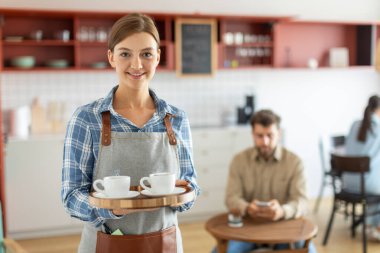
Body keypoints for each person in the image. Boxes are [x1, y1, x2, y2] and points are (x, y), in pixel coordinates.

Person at [61, 13, 199, 253]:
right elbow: (71, 195)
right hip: (105, 243)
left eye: (146, 54)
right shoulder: (87, 119)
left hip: (164, 243)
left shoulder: (176, 120)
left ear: (158, 57)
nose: (137, 65)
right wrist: (112, 208)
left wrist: (180, 196)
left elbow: (191, 184)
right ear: (111, 57)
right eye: (125, 54)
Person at [212, 109, 317, 253]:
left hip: (284, 226)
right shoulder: (239, 161)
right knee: (221, 251)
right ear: (252, 135)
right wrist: (247, 207)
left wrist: (282, 211)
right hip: (247, 228)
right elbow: (231, 198)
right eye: (259, 136)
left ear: (279, 133)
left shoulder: (294, 162)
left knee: (308, 250)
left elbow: (303, 202)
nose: (265, 141)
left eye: (270, 135)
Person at [343, 95, 380, 240]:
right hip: (366, 186)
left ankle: (369, 223)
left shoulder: (354, 124)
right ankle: (376, 226)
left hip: (347, 183)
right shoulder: (378, 128)